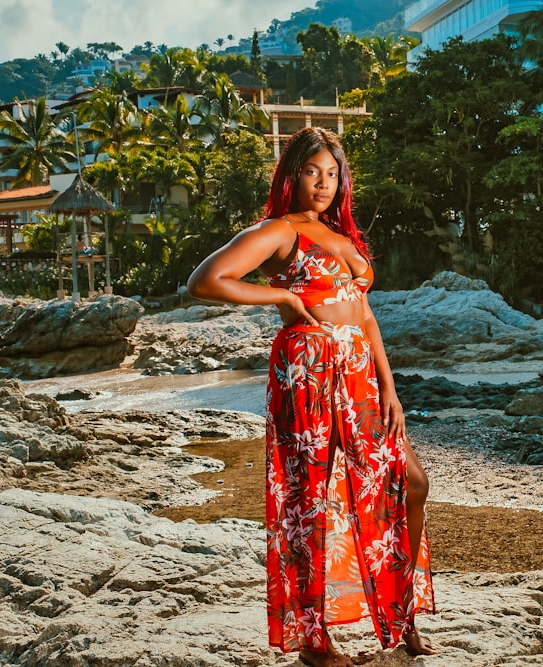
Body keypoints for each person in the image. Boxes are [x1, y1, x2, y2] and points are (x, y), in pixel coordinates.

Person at [187, 127, 436, 666]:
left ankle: (400, 614)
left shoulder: (341, 235)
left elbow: (365, 315)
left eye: (332, 173)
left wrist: (390, 387)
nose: (323, 183)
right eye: (311, 172)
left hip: (360, 374)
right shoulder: (279, 231)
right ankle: (312, 639)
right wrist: (279, 293)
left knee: (409, 485)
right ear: (292, 174)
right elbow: (206, 280)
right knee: (309, 504)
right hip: (307, 368)